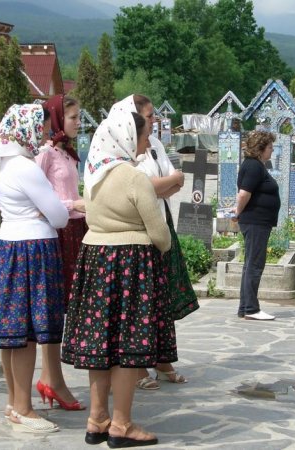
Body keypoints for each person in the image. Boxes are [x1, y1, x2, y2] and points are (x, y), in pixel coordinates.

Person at [62, 111, 175, 448]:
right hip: (131, 263)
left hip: (95, 261)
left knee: (101, 344)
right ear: (127, 138)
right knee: (128, 345)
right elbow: (158, 232)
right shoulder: (133, 177)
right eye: (142, 136)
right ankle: (122, 425)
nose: (145, 142)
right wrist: (163, 245)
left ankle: (97, 419)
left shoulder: (94, 176)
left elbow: (92, 217)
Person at [0, 104, 69, 433]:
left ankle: (14, 402)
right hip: (32, 248)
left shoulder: (0, 164)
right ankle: (24, 409)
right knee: (26, 334)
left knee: (10, 333)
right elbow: (59, 216)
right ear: (26, 128)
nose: (43, 133)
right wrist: (47, 214)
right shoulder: (26, 167)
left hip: (8, 245)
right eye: (40, 127)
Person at [110, 94, 199, 390]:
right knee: (140, 301)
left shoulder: (155, 144)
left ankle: (162, 361)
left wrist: (167, 184)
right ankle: (137, 366)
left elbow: (172, 184)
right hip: (138, 231)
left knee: (160, 299)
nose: (153, 121)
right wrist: (169, 182)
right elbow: (144, 187)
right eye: (148, 117)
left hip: (160, 220)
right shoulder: (121, 146)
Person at [34, 95, 85, 411]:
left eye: (79, 117)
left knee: (67, 307)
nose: (78, 123)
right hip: (57, 232)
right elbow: (39, 200)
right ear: (56, 120)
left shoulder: (68, 154)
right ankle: (52, 378)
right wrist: (73, 205)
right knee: (55, 306)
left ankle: (52, 377)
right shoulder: (45, 154)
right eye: (73, 118)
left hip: (76, 230)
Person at [235, 130, 280, 321]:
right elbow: (244, 193)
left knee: (251, 264)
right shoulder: (254, 166)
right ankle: (251, 309)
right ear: (261, 149)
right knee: (254, 264)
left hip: (258, 221)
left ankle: (245, 307)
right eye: (270, 147)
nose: (272, 150)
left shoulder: (256, 165)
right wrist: (236, 213)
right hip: (255, 221)